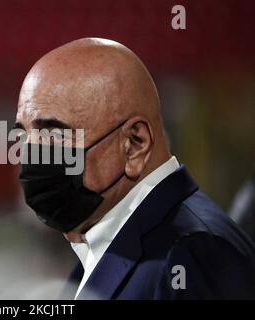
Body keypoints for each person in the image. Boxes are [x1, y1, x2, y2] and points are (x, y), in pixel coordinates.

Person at [15, 38, 255, 299]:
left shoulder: (192, 255)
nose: (33, 154)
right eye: (25, 135)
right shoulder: (105, 246)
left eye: (54, 134)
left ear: (134, 144)